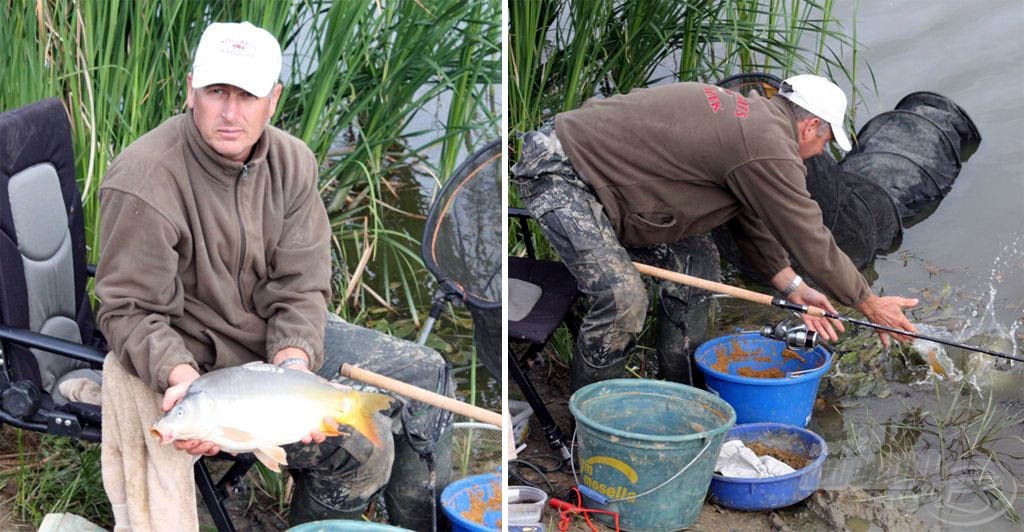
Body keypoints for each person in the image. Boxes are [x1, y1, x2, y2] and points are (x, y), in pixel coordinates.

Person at [95, 21, 452, 530]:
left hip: (274, 346)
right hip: (199, 356)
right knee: (362, 454)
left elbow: (302, 285)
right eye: (217, 91)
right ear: (191, 88)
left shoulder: (292, 161)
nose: (230, 112)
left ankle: (421, 523)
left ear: (274, 98)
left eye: (248, 94)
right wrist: (189, 388)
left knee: (425, 373)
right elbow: (128, 311)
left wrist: (295, 365)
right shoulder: (145, 180)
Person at [512, 75, 920, 391]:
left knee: (700, 265)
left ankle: (682, 389)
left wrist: (792, 285)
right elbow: (808, 236)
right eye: (827, 140)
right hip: (561, 173)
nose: (821, 152)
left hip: (611, 181)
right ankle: (594, 418)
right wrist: (867, 302)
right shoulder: (768, 145)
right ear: (811, 126)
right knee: (622, 299)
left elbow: (751, 218)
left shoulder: (755, 123)